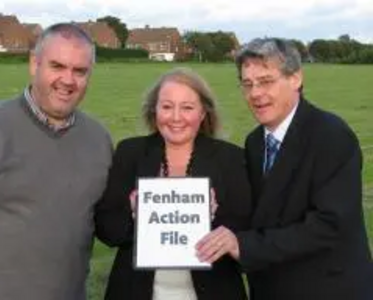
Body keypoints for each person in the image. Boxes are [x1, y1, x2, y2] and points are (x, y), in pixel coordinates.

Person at [197, 37, 373, 299]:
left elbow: (328, 225)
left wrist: (244, 245)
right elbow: (260, 214)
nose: (255, 93)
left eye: (266, 81)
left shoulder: (331, 135)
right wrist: (205, 211)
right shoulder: (255, 142)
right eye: (247, 84)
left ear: (295, 79)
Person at [0, 23, 113, 300]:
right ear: (34, 64)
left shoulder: (99, 140)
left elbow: (108, 224)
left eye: (80, 71)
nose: (68, 80)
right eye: (57, 66)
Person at [95, 67, 252, 300]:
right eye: (167, 106)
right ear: (154, 110)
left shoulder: (231, 159)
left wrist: (214, 223)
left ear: (203, 113)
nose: (176, 117)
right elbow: (107, 229)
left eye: (187, 108)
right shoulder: (130, 153)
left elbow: (248, 233)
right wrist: (136, 216)